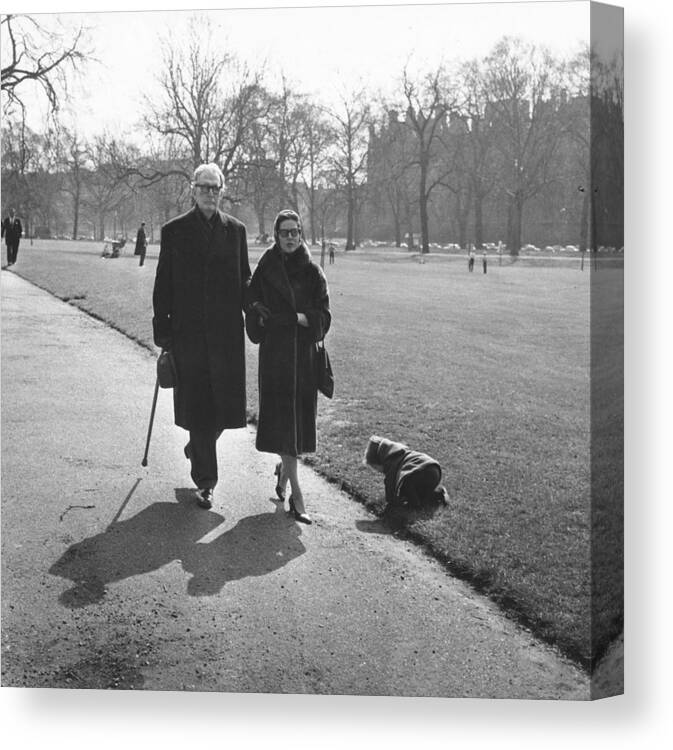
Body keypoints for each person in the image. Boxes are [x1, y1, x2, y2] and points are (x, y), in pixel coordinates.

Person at [152, 163, 251, 510]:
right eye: (204, 187)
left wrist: (259, 312)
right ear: (193, 190)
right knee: (200, 408)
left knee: (223, 409)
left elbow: (245, 283)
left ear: (222, 192)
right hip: (189, 337)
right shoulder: (175, 231)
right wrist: (163, 331)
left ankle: (197, 448)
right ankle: (206, 481)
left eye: (215, 188)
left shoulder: (236, 232)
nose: (210, 193)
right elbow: (163, 284)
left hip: (226, 339)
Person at [245, 209, 331, 525]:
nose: (291, 237)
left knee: (294, 427)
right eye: (285, 232)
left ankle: (284, 475)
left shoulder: (313, 272)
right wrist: (260, 314)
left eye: (295, 231)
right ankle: (297, 494)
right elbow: (250, 305)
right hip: (275, 360)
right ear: (276, 235)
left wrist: (295, 318)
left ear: (301, 233)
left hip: (304, 362)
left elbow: (324, 318)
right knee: (284, 425)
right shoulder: (266, 269)